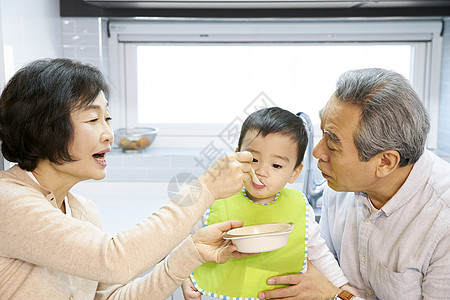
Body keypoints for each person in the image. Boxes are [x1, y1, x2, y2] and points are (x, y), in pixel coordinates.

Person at [0, 58, 256, 299]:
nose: (109, 134)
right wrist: (204, 190)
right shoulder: (8, 200)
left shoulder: (83, 211)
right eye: (93, 119)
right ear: (45, 129)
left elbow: (114, 296)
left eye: (107, 119)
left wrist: (192, 252)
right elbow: (115, 259)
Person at [257, 68, 450, 300]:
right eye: (323, 134)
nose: (318, 152)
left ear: (385, 162)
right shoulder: (338, 186)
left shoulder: (443, 222)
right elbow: (318, 267)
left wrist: (332, 296)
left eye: (333, 145)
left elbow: (325, 289)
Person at [181, 107, 358, 300]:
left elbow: (319, 253)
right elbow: (188, 243)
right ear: (238, 156)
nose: (261, 171)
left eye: (276, 165)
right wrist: (183, 277)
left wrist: (342, 286)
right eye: (254, 159)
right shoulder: (217, 198)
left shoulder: (299, 207)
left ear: (294, 173)